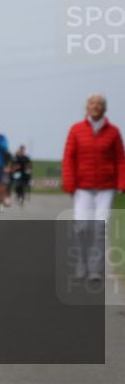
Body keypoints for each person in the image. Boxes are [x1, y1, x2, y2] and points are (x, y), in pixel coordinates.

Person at [62, 94, 125, 281]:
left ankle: (96, 268)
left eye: (99, 104)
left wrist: (122, 182)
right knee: (81, 226)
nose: (95, 106)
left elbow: (120, 160)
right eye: (92, 103)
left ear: (104, 109)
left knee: (100, 227)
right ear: (87, 108)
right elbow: (69, 158)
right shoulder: (76, 130)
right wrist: (69, 182)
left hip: (106, 187)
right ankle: (82, 262)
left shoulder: (113, 132)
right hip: (83, 187)